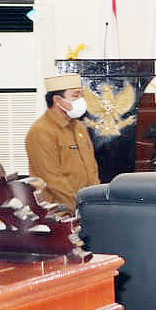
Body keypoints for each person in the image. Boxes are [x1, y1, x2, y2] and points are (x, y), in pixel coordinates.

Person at [24, 73, 100, 211]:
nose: (82, 100)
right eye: (76, 96)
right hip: (59, 210)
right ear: (58, 100)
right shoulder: (41, 131)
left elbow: (92, 168)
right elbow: (51, 179)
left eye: (82, 95)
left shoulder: (79, 127)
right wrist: (78, 205)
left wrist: (96, 199)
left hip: (87, 205)